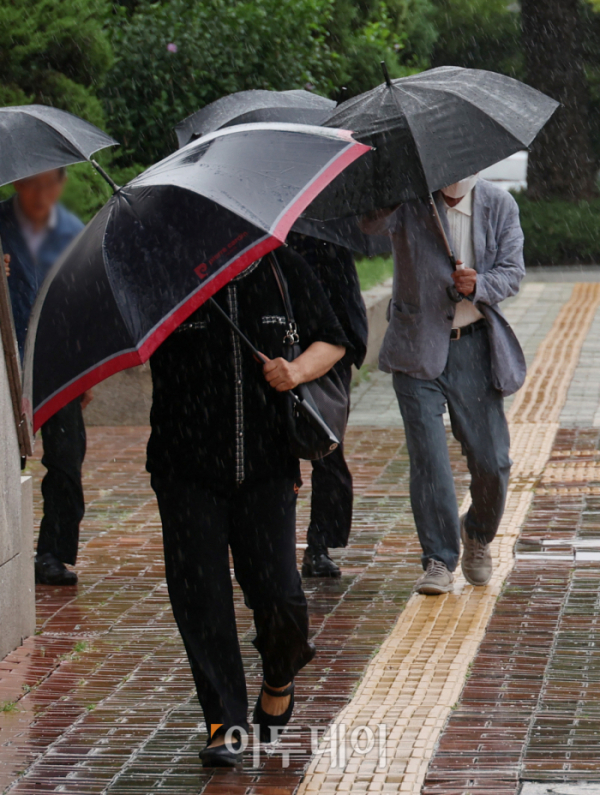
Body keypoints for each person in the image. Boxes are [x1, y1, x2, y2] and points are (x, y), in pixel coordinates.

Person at [147, 248, 349, 767]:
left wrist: (296, 370)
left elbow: (333, 340)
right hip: (185, 467)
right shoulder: (169, 276)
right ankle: (225, 723)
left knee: (281, 594)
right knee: (202, 599)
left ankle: (279, 673)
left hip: (267, 469)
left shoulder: (282, 269)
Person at [361, 175, 525, 595]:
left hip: (473, 348)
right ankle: (438, 558)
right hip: (416, 350)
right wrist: (389, 186)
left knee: (493, 461)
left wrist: (480, 285)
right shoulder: (410, 203)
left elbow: (512, 272)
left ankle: (478, 534)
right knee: (430, 460)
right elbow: (368, 225)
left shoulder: (498, 205)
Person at [0, 168, 92, 586]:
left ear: (61, 184)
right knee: (6, 460)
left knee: (67, 461)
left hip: (57, 364)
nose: (39, 192)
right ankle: (6, 546)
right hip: (7, 364)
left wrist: (87, 369)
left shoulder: (73, 232)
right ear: (15, 183)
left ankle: (53, 553)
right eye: (30, 182)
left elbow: (84, 302)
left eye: (48, 183)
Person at [287, 233, 368, 578]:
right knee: (278, 457)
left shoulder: (330, 239)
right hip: (275, 356)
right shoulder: (260, 245)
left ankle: (319, 544)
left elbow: (349, 315)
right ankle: (273, 544)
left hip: (326, 361)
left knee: (327, 448)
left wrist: (337, 355)